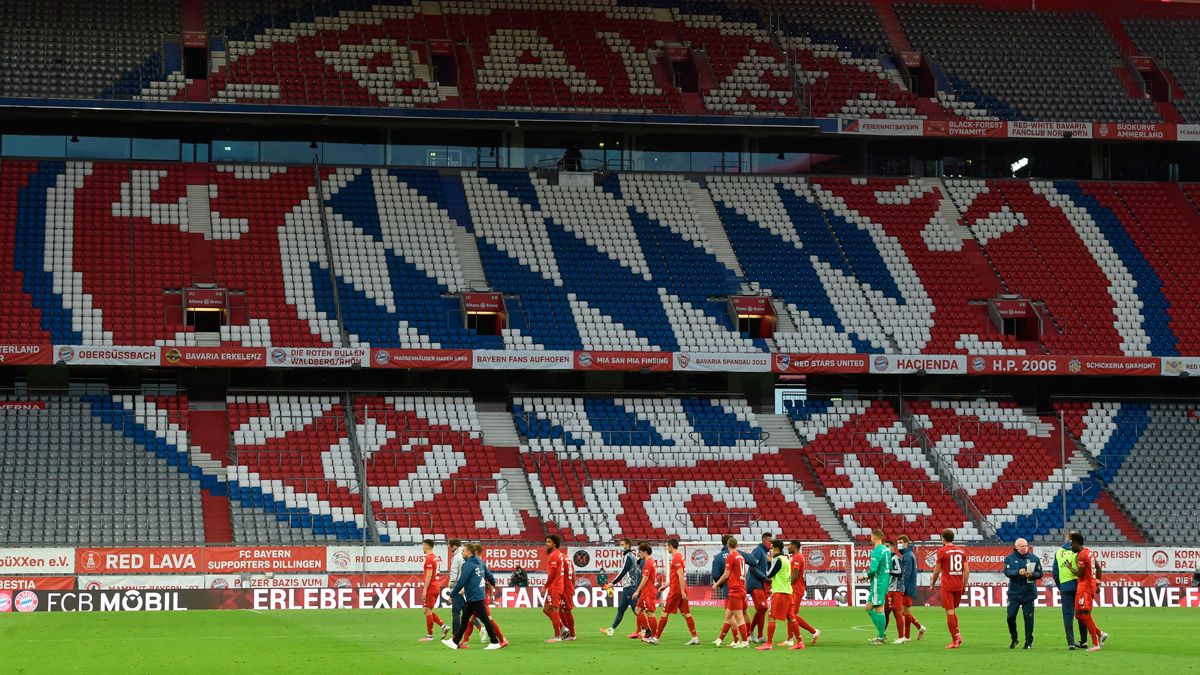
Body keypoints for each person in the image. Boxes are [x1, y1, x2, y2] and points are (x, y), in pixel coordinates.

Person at [441, 544, 503, 650]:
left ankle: (494, 642)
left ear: (469, 552)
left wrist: (452, 594)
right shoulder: (479, 562)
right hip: (476, 596)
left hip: (474, 597)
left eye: (464, 551)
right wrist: (493, 583)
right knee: (465, 619)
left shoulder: (468, 565)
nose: (462, 552)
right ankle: (455, 642)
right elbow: (489, 575)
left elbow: (461, 581)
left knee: (484, 620)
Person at [648, 537, 699, 645]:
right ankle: (695, 637)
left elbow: (680, 576)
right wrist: (666, 585)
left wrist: (682, 592)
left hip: (676, 591)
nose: (667, 548)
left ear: (671, 546)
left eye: (667, 546)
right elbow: (677, 576)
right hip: (680, 589)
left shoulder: (676, 558)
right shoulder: (680, 556)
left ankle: (656, 638)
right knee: (686, 613)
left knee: (664, 612)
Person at [460, 544, 509, 649]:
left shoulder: (478, 564)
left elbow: (488, 581)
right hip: (477, 597)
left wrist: (490, 596)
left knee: (488, 620)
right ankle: (464, 642)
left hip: (480, 598)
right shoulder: (479, 563)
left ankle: (502, 639)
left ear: (475, 552)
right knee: (470, 619)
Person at [756, 540, 801, 651]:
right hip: (788, 591)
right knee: (791, 618)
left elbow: (768, 574)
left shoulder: (778, 559)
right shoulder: (786, 559)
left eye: (772, 548)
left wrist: (768, 562)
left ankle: (769, 643)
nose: (770, 550)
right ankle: (800, 642)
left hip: (780, 592)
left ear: (776, 549)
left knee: (771, 616)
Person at [1068, 532, 1109, 652]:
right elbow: (1098, 568)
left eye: (1072, 544)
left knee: (1085, 614)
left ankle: (1096, 643)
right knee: (1078, 615)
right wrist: (1098, 583)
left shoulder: (1082, 555)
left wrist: (1069, 567)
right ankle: (1100, 634)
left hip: (1085, 588)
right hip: (1085, 587)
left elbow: (1080, 574)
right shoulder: (1088, 552)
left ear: (1076, 543)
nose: (1071, 547)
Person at [930, 528, 969, 649]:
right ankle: (958, 635)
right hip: (958, 585)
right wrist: (964, 586)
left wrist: (932, 583)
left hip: (947, 585)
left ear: (943, 539)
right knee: (953, 611)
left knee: (949, 612)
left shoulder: (942, 551)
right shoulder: (962, 551)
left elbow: (936, 570)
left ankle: (955, 640)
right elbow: (966, 571)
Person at [1053, 530, 1091, 649]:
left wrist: (1061, 587)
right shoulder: (1079, 551)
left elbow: (1055, 573)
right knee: (1081, 612)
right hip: (1079, 585)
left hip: (1065, 586)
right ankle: (1084, 641)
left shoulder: (1058, 552)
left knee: (1067, 615)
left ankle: (1071, 643)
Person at [1004, 537, 1042, 650]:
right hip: (1014, 594)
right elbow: (1007, 572)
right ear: (1016, 547)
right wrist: (1018, 572)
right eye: (1022, 546)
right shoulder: (1009, 559)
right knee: (1010, 617)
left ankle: (1028, 642)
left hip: (1029, 593)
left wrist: (1032, 575)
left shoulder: (1034, 558)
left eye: (1026, 546)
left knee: (1028, 619)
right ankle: (1014, 638)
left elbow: (1040, 573)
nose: (1024, 548)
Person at [712, 536, 750, 648]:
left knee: (739, 617)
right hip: (741, 588)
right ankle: (720, 639)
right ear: (737, 545)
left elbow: (726, 575)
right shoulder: (741, 557)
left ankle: (744, 642)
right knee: (728, 616)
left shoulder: (731, 557)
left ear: (728, 545)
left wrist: (716, 584)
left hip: (735, 590)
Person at [601, 538, 640, 637]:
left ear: (628, 545)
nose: (621, 547)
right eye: (620, 545)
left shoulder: (628, 556)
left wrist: (612, 583)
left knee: (636, 610)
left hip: (630, 586)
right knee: (621, 609)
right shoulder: (631, 556)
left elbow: (623, 571)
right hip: (628, 586)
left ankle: (647, 629)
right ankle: (611, 630)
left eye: (623, 545)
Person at [786, 541, 820, 647]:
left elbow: (795, 575)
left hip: (796, 589)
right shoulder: (795, 557)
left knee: (792, 614)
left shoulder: (797, 557)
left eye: (790, 545)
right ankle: (789, 639)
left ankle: (814, 631)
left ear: (794, 546)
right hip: (794, 588)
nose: (788, 547)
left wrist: (787, 586)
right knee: (789, 614)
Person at [862, 528, 890, 645]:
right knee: (869, 608)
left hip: (878, 583)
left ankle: (881, 636)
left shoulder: (876, 551)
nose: (870, 538)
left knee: (879, 608)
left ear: (874, 536)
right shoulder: (887, 550)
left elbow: (873, 570)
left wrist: (864, 576)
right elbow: (889, 568)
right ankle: (882, 634)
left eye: (871, 536)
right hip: (884, 581)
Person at [419, 539, 450, 642]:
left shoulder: (429, 558)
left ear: (427, 546)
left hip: (431, 587)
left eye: (423, 545)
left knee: (427, 610)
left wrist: (424, 590)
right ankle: (443, 626)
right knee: (428, 610)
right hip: (436, 586)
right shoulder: (436, 557)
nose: (422, 547)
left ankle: (430, 636)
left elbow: (429, 575)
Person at [896, 535, 925, 642]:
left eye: (901, 542)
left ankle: (907, 636)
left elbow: (906, 574)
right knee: (904, 610)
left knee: (904, 610)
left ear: (906, 543)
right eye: (898, 543)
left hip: (907, 587)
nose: (899, 545)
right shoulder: (908, 554)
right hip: (909, 587)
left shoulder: (907, 556)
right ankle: (919, 627)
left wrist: (902, 587)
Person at [746, 532, 773, 643]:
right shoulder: (758, 550)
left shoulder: (765, 553)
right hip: (755, 583)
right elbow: (752, 567)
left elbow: (764, 568)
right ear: (764, 540)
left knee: (762, 609)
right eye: (769, 541)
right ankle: (750, 632)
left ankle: (760, 636)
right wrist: (764, 578)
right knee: (763, 608)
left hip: (761, 584)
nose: (771, 543)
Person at [633, 542, 659, 640]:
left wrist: (637, 591)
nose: (639, 554)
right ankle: (648, 631)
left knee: (650, 613)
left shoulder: (648, 563)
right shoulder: (650, 561)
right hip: (645, 592)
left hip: (649, 591)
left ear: (645, 552)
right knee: (637, 610)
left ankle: (654, 636)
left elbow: (645, 578)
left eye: (640, 552)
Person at [543, 534, 566, 643]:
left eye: (549, 542)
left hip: (555, 586)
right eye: (546, 542)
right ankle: (563, 628)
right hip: (556, 585)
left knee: (554, 609)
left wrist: (545, 586)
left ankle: (557, 636)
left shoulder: (554, 555)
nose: (547, 544)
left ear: (555, 543)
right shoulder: (558, 554)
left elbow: (553, 573)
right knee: (546, 609)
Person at [885, 539, 907, 643]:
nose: (885, 549)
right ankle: (882, 635)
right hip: (889, 589)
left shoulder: (895, 558)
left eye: (887, 546)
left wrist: (887, 571)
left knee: (897, 613)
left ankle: (901, 637)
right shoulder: (887, 558)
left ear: (892, 547)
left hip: (896, 589)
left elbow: (899, 572)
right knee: (885, 612)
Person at [559, 544, 577, 640]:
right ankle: (567, 631)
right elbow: (573, 574)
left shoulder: (560, 559)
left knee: (566, 610)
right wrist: (572, 586)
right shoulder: (568, 559)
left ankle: (572, 634)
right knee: (557, 609)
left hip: (564, 587)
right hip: (567, 586)